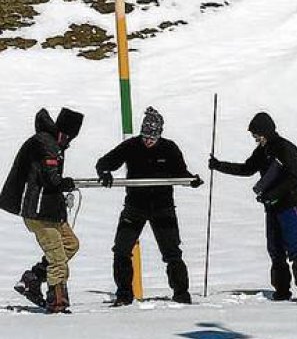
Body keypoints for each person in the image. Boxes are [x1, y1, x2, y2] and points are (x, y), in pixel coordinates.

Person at [95, 107, 203, 306]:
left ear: (160, 134)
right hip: (135, 206)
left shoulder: (169, 148)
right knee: (121, 249)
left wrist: (191, 180)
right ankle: (124, 294)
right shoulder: (131, 146)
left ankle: (181, 293)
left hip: (163, 207)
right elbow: (104, 162)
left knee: (172, 252)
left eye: (152, 138)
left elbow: (181, 172)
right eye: (145, 137)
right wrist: (104, 172)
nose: (148, 141)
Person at [208, 111, 297, 305]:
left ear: (265, 132)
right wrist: (218, 165)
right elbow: (247, 169)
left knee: (294, 247)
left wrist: (272, 194)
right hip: (272, 207)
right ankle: (282, 290)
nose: (255, 138)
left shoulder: (286, 148)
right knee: (275, 249)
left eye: (256, 134)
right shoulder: (262, 151)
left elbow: (293, 179)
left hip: (290, 206)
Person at [0, 108, 84, 313]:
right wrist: (63, 183)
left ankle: (33, 279)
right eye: (68, 137)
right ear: (62, 132)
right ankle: (57, 303)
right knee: (58, 259)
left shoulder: (51, 142)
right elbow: (50, 178)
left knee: (70, 245)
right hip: (38, 211)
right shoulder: (45, 143)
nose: (69, 142)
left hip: (51, 210)